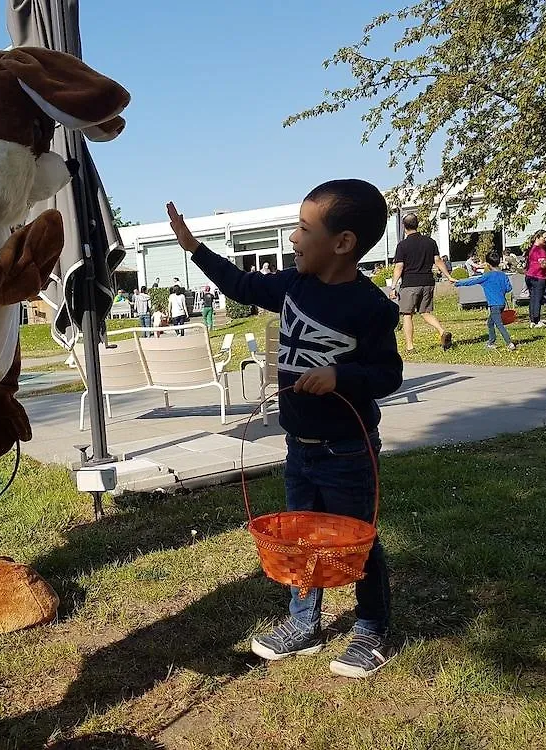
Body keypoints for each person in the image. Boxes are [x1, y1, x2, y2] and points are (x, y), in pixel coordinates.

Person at [167, 179, 403, 679]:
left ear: (343, 243)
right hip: (300, 446)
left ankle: (371, 628)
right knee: (300, 537)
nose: (293, 239)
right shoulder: (294, 286)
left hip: (346, 450)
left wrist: (342, 375)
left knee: (356, 538)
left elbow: (388, 375)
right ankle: (304, 624)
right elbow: (243, 286)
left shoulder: (371, 308)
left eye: (302, 228)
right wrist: (194, 249)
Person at [391, 214, 455, 353]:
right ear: (417, 224)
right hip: (428, 282)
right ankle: (442, 331)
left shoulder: (402, 245)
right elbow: (438, 261)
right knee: (425, 312)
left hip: (410, 284)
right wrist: (448, 276)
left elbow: (399, 266)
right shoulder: (430, 242)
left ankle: (410, 347)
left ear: (404, 226)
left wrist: (393, 286)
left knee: (407, 315)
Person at [454, 252, 516, 350]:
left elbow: (472, 281)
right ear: (499, 262)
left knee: (499, 324)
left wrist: (458, 282)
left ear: (488, 264)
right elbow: (509, 288)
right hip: (502, 304)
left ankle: (509, 343)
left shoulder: (487, 276)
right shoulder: (503, 275)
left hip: (494, 305)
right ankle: (491, 342)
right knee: (490, 323)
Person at [524, 230, 546, 327]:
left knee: (532, 298)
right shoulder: (539, 250)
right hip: (538, 276)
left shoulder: (532, 249)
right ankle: (537, 320)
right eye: (544, 237)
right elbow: (543, 265)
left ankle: (532, 320)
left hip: (530, 275)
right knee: (538, 298)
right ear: (538, 237)